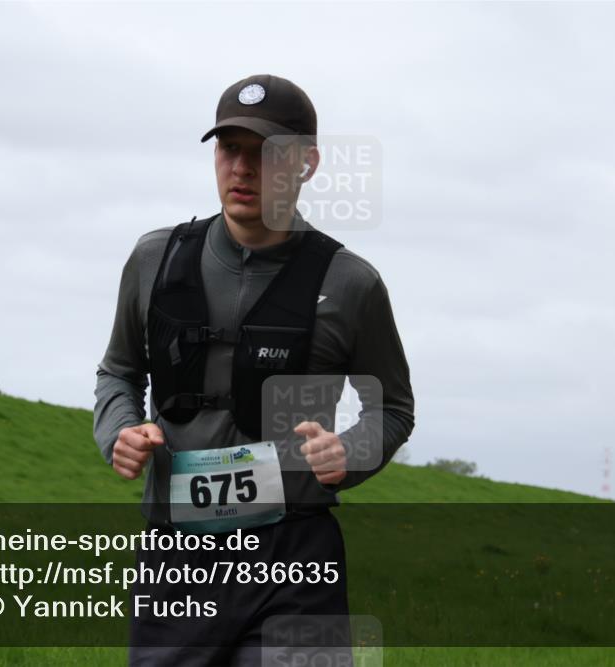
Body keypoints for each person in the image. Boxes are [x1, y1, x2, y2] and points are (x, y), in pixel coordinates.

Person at [93, 73, 415, 666]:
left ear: (307, 163)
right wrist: (119, 431)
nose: (241, 169)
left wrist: (351, 452)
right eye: (229, 149)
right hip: (177, 558)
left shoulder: (352, 283)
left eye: (265, 152)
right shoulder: (154, 259)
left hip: (296, 560)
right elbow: (118, 370)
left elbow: (391, 408)